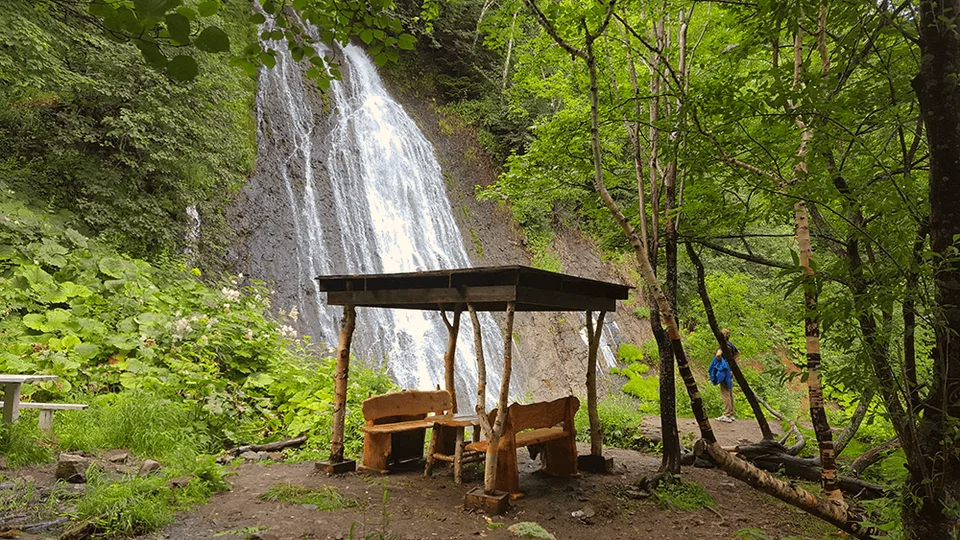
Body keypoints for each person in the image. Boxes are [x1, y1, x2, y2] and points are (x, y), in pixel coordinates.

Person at [708, 328, 739, 423]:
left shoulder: (722, 346)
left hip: (724, 371)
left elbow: (718, 355)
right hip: (730, 370)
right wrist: (732, 361)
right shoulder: (731, 345)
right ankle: (731, 414)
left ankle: (727, 415)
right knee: (730, 392)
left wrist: (720, 362)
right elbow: (738, 353)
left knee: (725, 393)